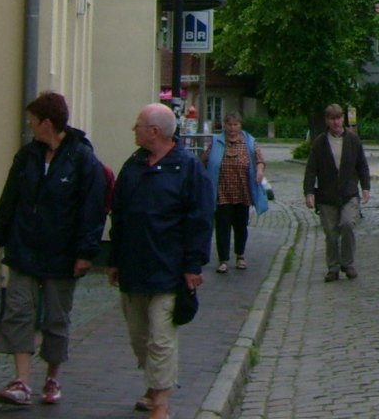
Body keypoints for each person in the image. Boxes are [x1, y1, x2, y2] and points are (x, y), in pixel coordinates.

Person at [0, 92, 106, 408]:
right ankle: (22, 381)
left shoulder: (82, 160)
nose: (30, 126)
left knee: (55, 317)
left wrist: (85, 253)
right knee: (19, 311)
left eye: (33, 121)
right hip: (24, 248)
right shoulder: (27, 157)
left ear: (47, 123)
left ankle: (52, 376)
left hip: (62, 253)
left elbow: (91, 211)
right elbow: (9, 199)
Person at [109, 103, 212, 419]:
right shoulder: (133, 165)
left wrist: (193, 265)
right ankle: (154, 388)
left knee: (161, 337)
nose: (133, 129)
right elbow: (121, 214)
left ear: (154, 131)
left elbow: (200, 217)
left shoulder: (187, 168)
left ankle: (162, 405)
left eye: (138, 124)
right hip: (134, 266)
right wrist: (113, 258)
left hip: (169, 268)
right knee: (140, 337)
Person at [303, 104, 370, 282]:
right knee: (331, 233)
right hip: (327, 195)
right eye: (332, 118)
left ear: (343, 119)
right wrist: (309, 192)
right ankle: (332, 267)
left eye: (338, 118)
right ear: (327, 120)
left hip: (349, 193)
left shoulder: (353, 140)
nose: (336, 122)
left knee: (348, 224)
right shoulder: (320, 142)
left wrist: (365, 187)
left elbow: (362, 164)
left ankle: (347, 263)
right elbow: (311, 169)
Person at [204, 113, 268, 274]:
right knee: (222, 226)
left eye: (236, 125)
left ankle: (240, 255)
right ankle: (223, 259)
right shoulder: (216, 141)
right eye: (229, 125)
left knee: (241, 226)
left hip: (242, 191)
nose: (232, 128)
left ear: (240, 125)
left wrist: (259, 171)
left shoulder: (249, 141)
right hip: (222, 191)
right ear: (224, 125)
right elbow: (204, 161)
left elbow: (260, 159)